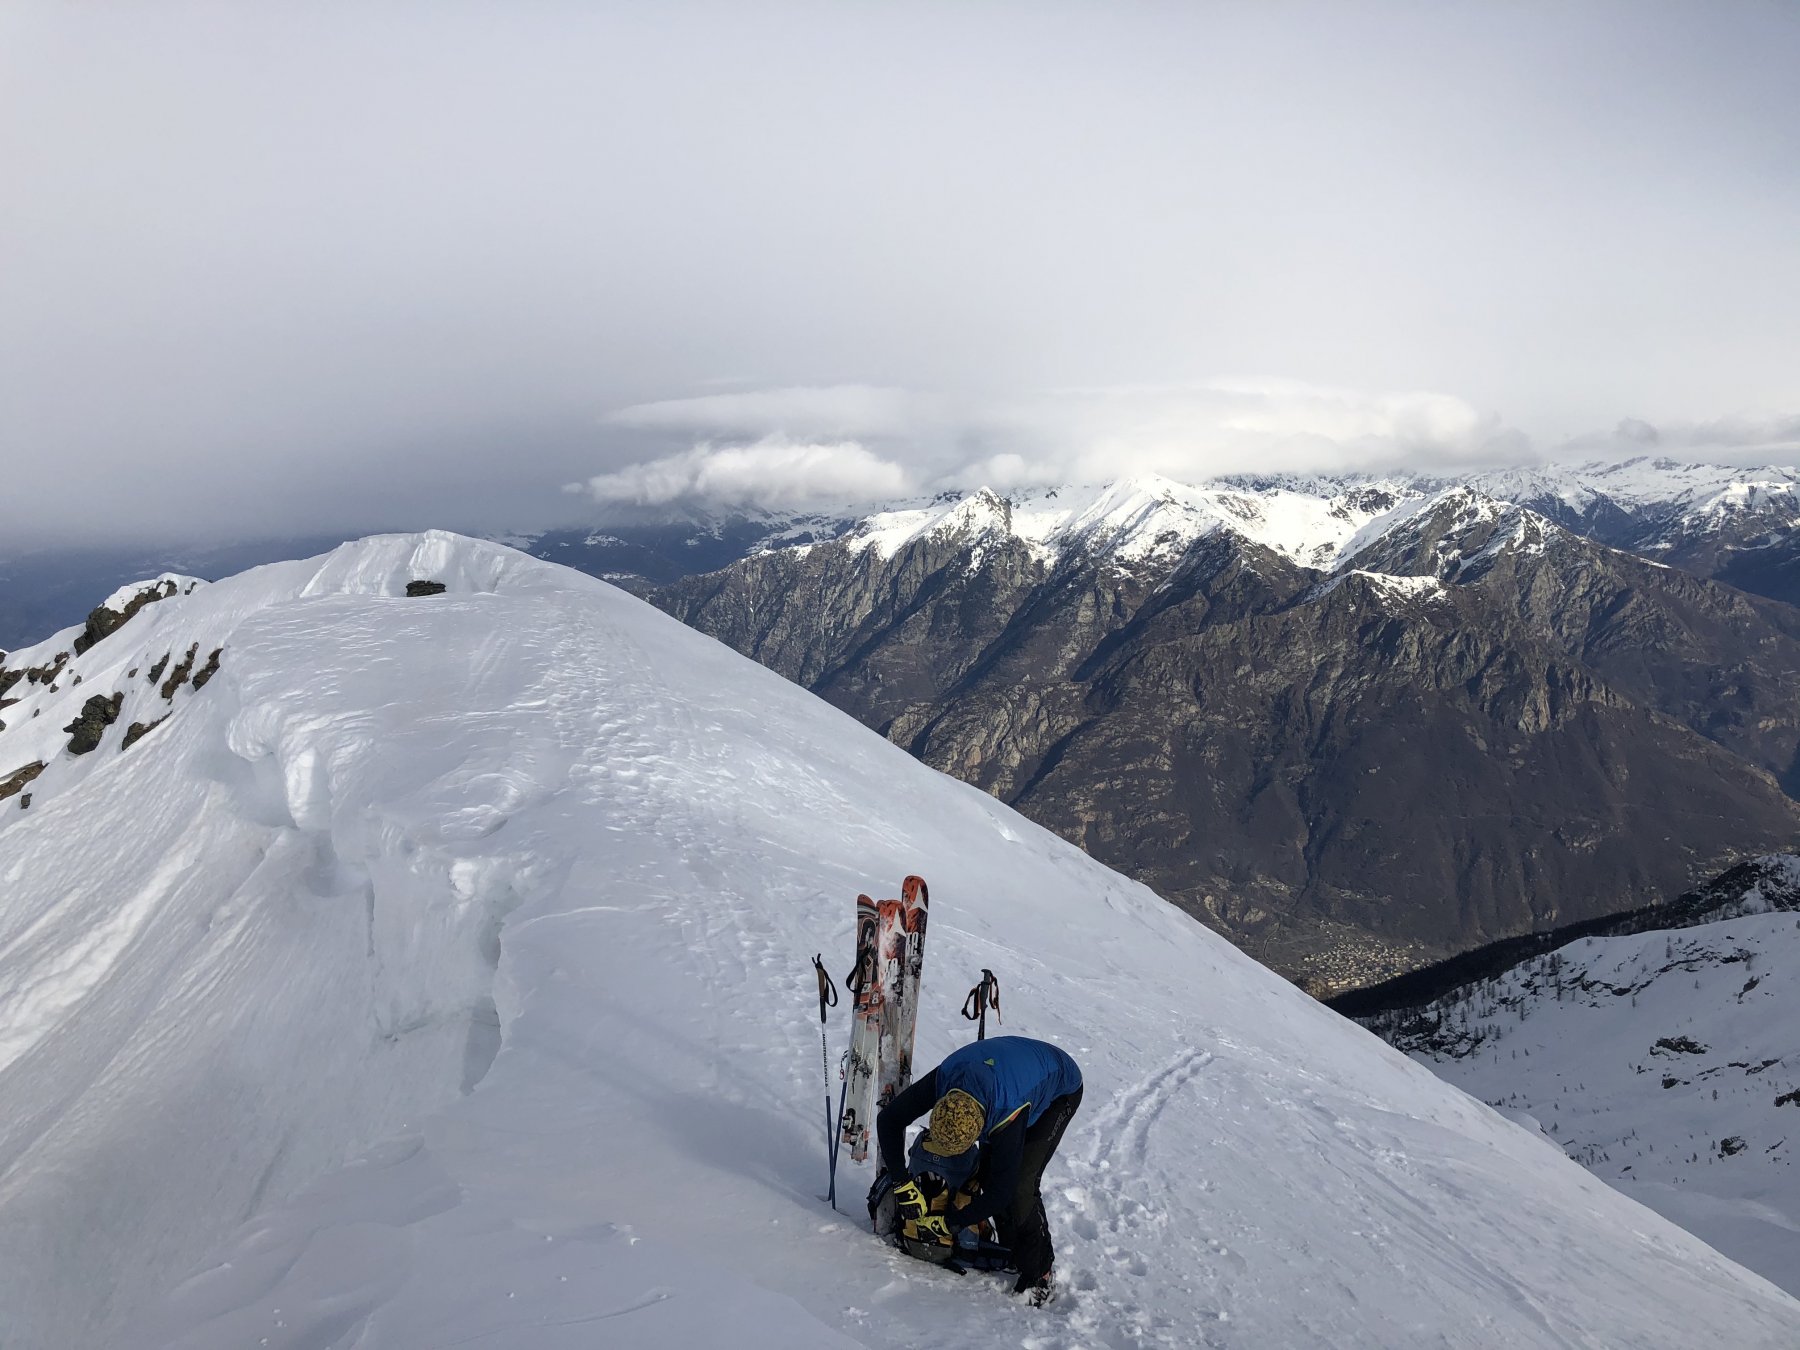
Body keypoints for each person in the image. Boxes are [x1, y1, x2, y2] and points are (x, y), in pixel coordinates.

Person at [876, 1035, 1083, 1304]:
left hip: (1060, 1085)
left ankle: (1039, 1274)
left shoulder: (1007, 1110)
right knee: (988, 1171)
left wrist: (954, 1221)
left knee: (1021, 1184)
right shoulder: (945, 1079)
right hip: (1007, 1068)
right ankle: (1011, 1249)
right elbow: (888, 1120)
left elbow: (1003, 1191)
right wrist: (902, 1184)